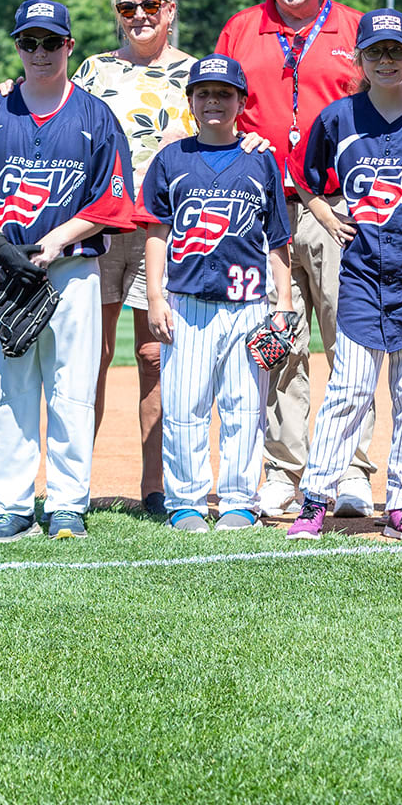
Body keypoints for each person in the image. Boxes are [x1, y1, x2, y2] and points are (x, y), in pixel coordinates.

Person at [287, 11, 402, 542]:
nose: (386, 60)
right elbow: (301, 175)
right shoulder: (339, 117)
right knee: (349, 389)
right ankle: (315, 501)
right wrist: (325, 215)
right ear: (360, 59)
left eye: (396, 51)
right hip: (364, 271)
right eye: (375, 51)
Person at [0, 0, 135, 541]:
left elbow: (111, 200)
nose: (40, 52)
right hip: (4, 270)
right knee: (6, 387)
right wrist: (2, 245)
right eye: (29, 42)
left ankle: (67, 503)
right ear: (17, 47)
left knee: (72, 387)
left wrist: (54, 242)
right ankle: (11, 504)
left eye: (51, 42)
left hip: (73, 268)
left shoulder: (95, 116)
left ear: (69, 46)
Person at [214, 0, 368, 519]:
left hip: (338, 207)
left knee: (350, 341)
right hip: (263, 208)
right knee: (279, 342)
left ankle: (351, 469)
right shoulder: (241, 28)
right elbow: (215, 107)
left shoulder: (355, 28)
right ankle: (284, 470)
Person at [140, 56, 292, 533]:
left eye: (224, 93)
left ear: (241, 102)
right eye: (203, 93)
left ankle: (239, 501)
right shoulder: (171, 159)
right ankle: (185, 501)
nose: (213, 101)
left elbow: (278, 240)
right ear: (189, 101)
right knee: (185, 407)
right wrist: (156, 297)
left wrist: (284, 305)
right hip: (187, 302)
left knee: (244, 407)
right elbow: (156, 232)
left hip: (249, 304)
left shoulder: (261, 159)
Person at [74, 0, 197, 519]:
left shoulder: (196, 74)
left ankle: (157, 485)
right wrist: (10, 90)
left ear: (170, 9)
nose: (140, 16)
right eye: (128, 7)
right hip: (99, 230)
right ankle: (74, 485)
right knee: (90, 357)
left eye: (151, 5)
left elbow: (226, 130)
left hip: (164, 232)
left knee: (154, 356)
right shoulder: (93, 71)